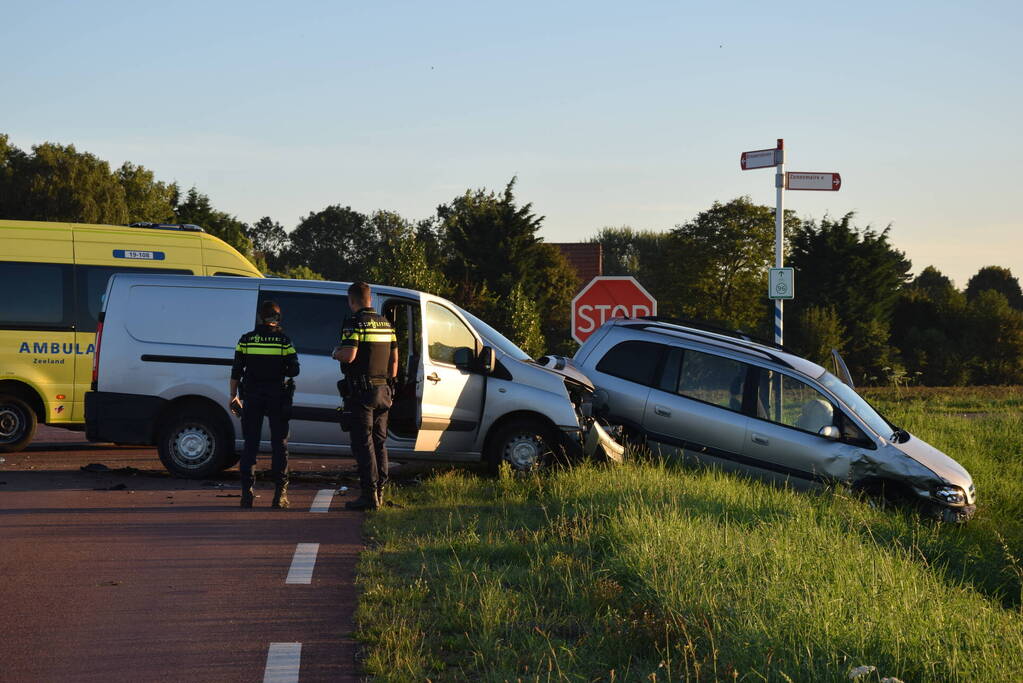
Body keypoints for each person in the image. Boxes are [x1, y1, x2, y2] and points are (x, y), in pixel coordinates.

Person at [332, 282, 398, 510]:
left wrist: (335, 353)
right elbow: (395, 363)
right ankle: (380, 490)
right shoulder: (386, 324)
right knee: (380, 443)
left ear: (352, 301)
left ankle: (369, 496)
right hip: (383, 390)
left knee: (363, 444)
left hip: (362, 392)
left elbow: (349, 355)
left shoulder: (354, 323)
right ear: (370, 299)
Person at [229, 300, 300, 509]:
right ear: (277, 318)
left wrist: (233, 395)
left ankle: (247, 494)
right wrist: (280, 367)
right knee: (280, 445)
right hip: (277, 397)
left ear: (260, 317)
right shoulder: (283, 341)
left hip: (251, 397)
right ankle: (279, 495)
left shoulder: (246, 340)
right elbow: (294, 370)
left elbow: (236, 370)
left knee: (250, 444)